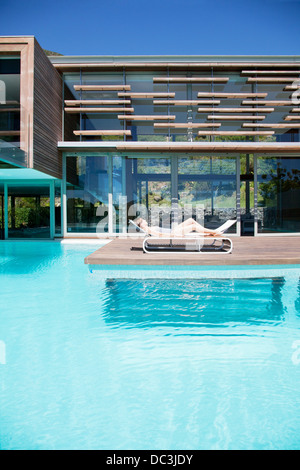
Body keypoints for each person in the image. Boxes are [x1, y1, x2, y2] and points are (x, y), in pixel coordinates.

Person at [134, 217, 222, 237]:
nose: (145, 220)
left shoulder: (148, 228)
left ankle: (204, 232)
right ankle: (213, 232)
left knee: (191, 220)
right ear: (141, 224)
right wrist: (173, 236)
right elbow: (160, 234)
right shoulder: (148, 229)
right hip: (174, 233)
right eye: (143, 220)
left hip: (173, 230)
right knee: (193, 226)